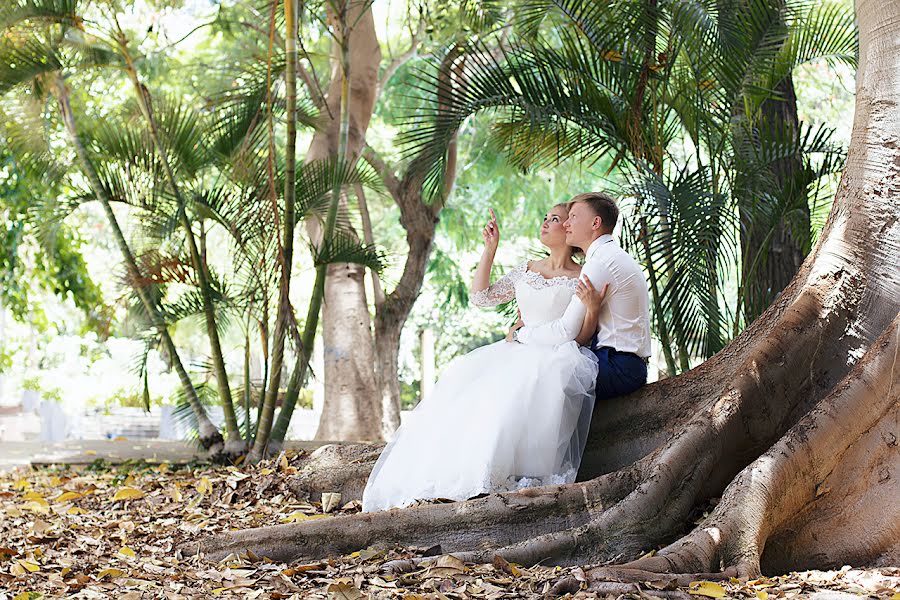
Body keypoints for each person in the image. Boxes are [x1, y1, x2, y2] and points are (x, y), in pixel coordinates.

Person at [362, 203, 600, 513]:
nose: (545, 224)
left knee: (530, 393)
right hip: (513, 352)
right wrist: (490, 249)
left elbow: (578, 333)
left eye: (554, 219)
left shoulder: (581, 277)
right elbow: (481, 298)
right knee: (473, 401)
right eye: (544, 217)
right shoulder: (527, 269)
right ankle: (465, 476)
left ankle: (521, 482)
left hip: (556, 356)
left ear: (568, 229)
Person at [510, 192, 652, 401]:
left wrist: (520, 334)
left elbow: (566, 330)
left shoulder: (600, 263)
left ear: (595, 223)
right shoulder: (607, 255)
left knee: (536, 381)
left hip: (617, 366)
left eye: (574, 216)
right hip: (619, 361)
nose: (567, 223)